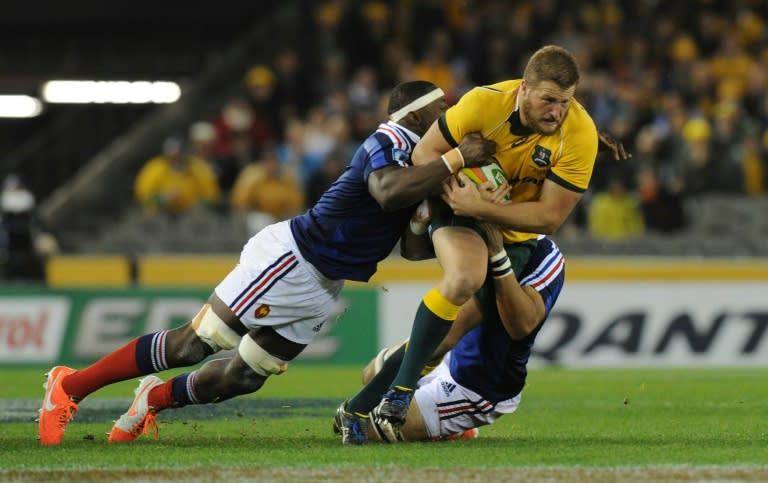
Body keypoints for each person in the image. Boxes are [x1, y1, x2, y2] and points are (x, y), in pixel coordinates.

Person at [37, 80, 495, 446]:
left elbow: (412, 251)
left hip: (325, 284)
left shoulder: (428, 167)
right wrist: (455, 159)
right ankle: (70, 387)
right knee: (194, 345)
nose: (451, 120)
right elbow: (385, 191)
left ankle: (151, 399)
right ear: (417, 112)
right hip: (295, 256)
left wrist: (433, 215)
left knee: (241, 378)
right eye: (444, 111)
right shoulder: (392, 136)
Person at [340, 45, 598, 438]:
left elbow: (550, 217)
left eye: (565, 102)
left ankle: (356, 408)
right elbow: (426, 152)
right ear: (523, 89)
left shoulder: (580, 133)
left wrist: (486, 208)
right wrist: (463, 183)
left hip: (513, 230)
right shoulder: (482, 103)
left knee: (449, 336)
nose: (557, 112)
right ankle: (401, 392)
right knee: (464, 278)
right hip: (458, 205)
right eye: (549, 100)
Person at [339, 224, 565, 443]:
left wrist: (498, 256)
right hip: (449, 353)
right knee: (371, 374)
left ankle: (450, 428)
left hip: (479, 384)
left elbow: (521, 326)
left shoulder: (545, 257)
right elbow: (414, 251)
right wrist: (422, 218)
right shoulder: (474, 226)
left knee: (372, 426)